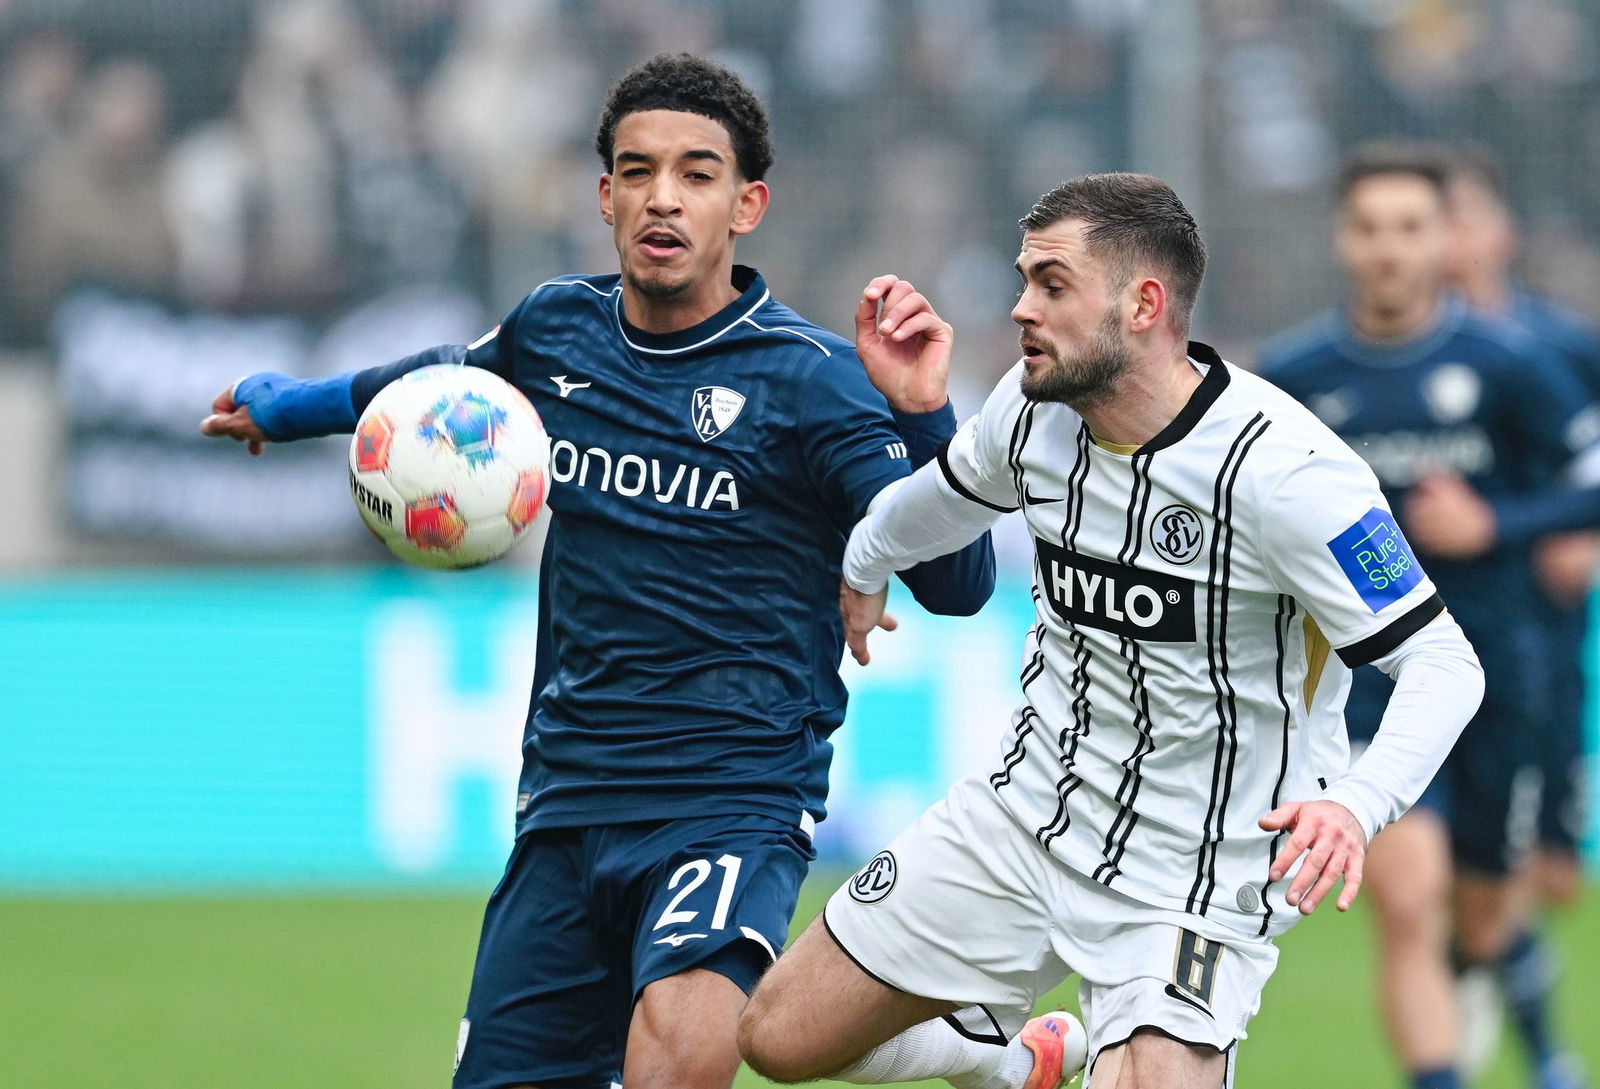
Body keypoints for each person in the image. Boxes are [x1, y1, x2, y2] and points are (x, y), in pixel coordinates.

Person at [199, 53, 994, 1089]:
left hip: (731, 793)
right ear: (604, 195)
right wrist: (286, 403)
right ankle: (988, 1059)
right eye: (637, 170)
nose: (663, 196)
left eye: (697, 173)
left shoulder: (812, 383)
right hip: (568, 800)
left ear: (747, 204)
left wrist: (923, 414)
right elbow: (428, 385)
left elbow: (960, 586)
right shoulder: (555, 328)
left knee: (674, 1064)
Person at [737, 172, 1484, 1089]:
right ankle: (1013, 1063)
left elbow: (1445, 662)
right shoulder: (1029, 409)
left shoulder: (1290, 475)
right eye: (1023, 280)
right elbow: (938, 502)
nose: (1019, 309)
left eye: (1051, 285)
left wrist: (1355, 804)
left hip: (1198, 877)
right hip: (1027, 817)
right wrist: (863, 564)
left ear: (1143, 304)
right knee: (778, 1038)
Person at [1259, 143, 1600, 1089]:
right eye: (1369, 229)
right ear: (1343, 238)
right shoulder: (1295, 375)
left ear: (1444, 238)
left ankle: (1487, 970)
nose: (1389, 251)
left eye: (1410, 228)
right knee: (1407, 901)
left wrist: (1495, 522)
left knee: (1482, 915)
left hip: (1501, 673)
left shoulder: (1510, 363)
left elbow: (1588, 485)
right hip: (1372, 682)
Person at [1441, 146, 1596, 1088]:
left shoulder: (1561, 347)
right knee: (1424, 875)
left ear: (1501, 231)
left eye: (1461, 214)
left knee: (1536, 877)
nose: (1447, 237)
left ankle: (1489, 989)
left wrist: (1560, 535)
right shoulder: (1389, 358)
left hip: (1542, 641)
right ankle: (1529, 1051)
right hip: (1432, 646)